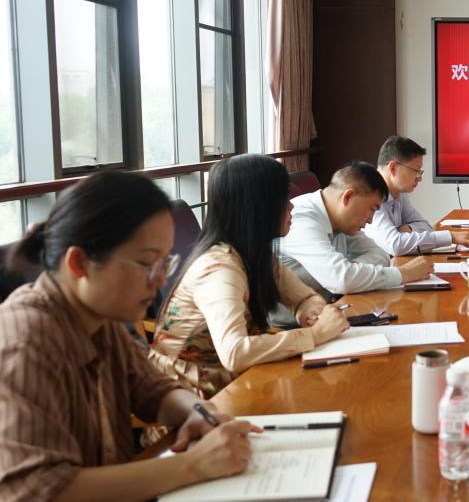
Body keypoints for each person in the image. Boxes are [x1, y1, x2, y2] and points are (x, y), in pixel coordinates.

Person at [0, 171, 260, 501]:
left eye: (165, 263)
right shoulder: (26, 342)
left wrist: (195, 410)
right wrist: (193, 465)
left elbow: (153, 389)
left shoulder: (100, 319)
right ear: (79, 263)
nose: (160, 280)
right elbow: (37, 489)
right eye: (146, 263)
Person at [150, 155, 349, 398]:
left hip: (238, 383)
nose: (292, 207)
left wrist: (312, 312)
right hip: (192, 400)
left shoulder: (254, 254)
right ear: (258, 208)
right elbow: (234, 353)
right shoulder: (219, 268)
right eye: (283, 200)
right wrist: (314, 335)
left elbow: (304, 297)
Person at [279, 160, 435, 299]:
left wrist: (351, 269)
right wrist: (403, 274)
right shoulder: (300, 219)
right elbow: (341, 279)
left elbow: (381, 255)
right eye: (372, 209)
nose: (371, 220)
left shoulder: (340, 219)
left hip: (331, 307)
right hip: (296, 321)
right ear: (348, 197)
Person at [364, 136, 469, 256]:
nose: (419, 178)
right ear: (393, 168)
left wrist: (410, 228)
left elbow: (425, 226)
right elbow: (396, 245)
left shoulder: (399, 195)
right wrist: (450, 237)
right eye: (416, 170)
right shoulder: (370, 196)